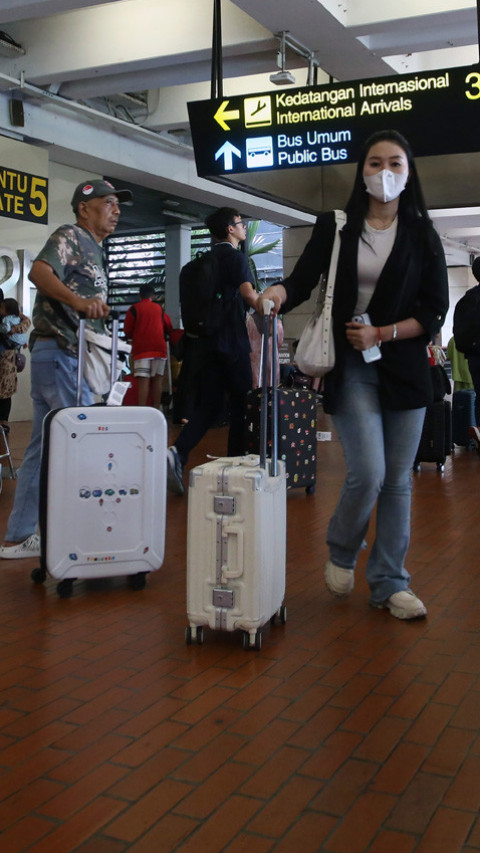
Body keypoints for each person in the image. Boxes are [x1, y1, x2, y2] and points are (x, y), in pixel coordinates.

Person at [259, 129, 449, 620]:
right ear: (361, 172)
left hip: (404, 369)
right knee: (369, 473)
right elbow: (302, 281)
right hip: (350, 366)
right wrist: (277, 294)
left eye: (395, 164)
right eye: (374, 163)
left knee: (398, 482)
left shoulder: (422, 235)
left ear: (409, 174)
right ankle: (343, 549)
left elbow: (434, 312)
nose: (384, 173)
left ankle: (390, 582)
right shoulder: (337, 225)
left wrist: (383, 333)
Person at [0, 178, 133, 559]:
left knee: (45, 447)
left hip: (57, 355)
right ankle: (82, 532)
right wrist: (77, 301)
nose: (116, 209)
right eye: (108, 203)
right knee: (83, 442)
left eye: (117, 204)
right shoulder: (71, 236)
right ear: (83, 208)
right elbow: (39, 273)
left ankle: (20, 535)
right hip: (61, 355)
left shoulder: (96, 248)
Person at [167, 207, 258, 495]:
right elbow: (248, 294)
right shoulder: (235, 258)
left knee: (208, 406)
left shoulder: (203, 261)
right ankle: (234, 468)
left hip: (205, 345)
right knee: (242, 405)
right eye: (241, 224)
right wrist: (265, 302)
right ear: (230, 229)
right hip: (231, 343)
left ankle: (178, 452)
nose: (244, 228)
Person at [123, 283, 173, 408]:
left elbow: (127, 330)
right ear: (153, 296)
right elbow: (168, 326)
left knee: (143, 381)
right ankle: (156, 410)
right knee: (157, 380)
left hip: (142, 351)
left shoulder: (134, 309)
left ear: (139, 295)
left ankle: (142, 411)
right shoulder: (159, 309)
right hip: (159, 349)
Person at [0, 289, 31, 434]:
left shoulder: (9, 312)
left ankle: (4, 423)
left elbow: (26, 322)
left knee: (5, 390)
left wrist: (14, 330)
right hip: (6, 356)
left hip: (7, 358)